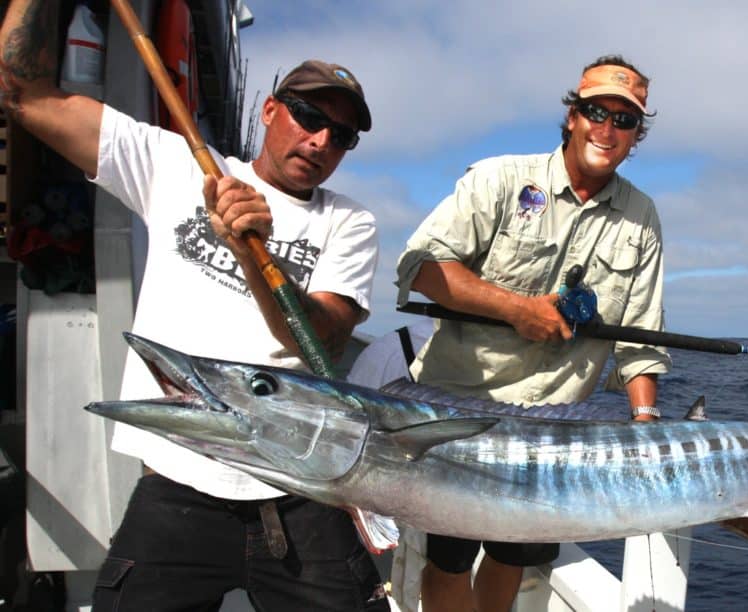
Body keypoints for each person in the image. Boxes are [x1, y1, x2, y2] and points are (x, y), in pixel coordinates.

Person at [0, 2, 387, 609]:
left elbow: (322, 344)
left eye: (341, 135)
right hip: (178, 488)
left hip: (299, 488)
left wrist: (258, 255)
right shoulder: (175, 167)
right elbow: (26, 95)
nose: (320, 140)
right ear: (269, 109)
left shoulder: (350, 222)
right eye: (309, 115)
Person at [395, 54, 672, 612]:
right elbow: (420, 268)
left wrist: (646, 422)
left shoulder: (642, 217)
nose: (608, 128)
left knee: (514, 555)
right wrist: (517, 309)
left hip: (556, 423)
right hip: (464, 413)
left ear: (637, 135)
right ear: (572, 116)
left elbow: (640, 340)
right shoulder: (500, 178)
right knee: (448, 556)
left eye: (625, 120)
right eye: (597, 111)